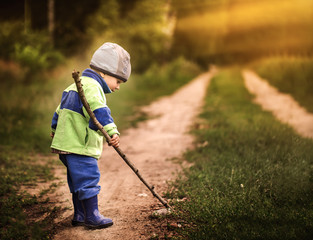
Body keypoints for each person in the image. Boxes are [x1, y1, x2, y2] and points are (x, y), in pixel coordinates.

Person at [50, 42, 131, 229]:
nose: (118, 87)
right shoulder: (93, 87)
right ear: (103, 72)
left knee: (76, 180)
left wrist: (55, 130)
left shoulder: (74, 86)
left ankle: (79, 214)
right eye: (118, 81)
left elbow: (59, 111)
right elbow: (99, 112)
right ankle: (92, 216)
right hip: (80, 145)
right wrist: (112, 132)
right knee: (88, 177)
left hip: (65, 145)